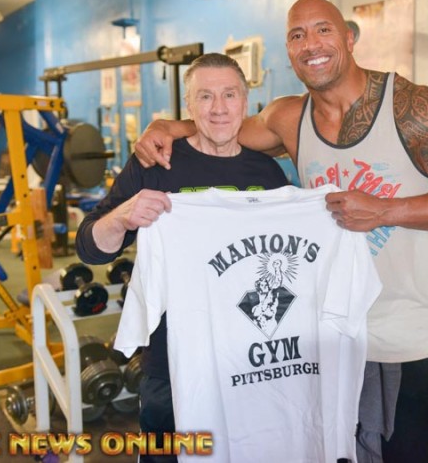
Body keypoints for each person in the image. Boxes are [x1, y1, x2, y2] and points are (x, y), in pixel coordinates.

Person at [134, 0, 428, 462]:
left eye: (323, 30)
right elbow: (223, 126)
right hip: (329, 339)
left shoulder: (412, 106)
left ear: (348, 38)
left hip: (408, 337)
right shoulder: (288, 118)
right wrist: (170, 125)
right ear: (289, 51)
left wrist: (384, 211)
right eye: (297, 35)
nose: (311, 44)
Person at [75, 53, 289, 463]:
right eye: (205, 96)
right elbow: (89, 247)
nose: (219, 108)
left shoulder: (268, 174)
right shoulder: (156, 164)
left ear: (246, 102)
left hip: (250, 357)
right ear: (188, 106)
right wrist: (121, 218)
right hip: (172, 361)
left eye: (229, 95)